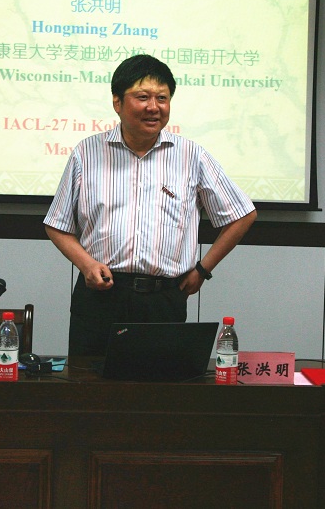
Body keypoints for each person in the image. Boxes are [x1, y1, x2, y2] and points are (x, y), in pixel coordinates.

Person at [44, 54, 257, 355]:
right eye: (142, 97)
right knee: (87, 382)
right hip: (101, 297)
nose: (153, 107)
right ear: (117, 102)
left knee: (160, 382)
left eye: (162, 98)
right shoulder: (86, 153)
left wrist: (202, 270)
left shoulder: (191, 156)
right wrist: (86, 264)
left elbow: (243, 214)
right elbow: (57, 225)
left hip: (163, 300)